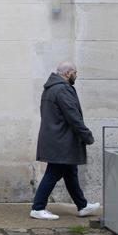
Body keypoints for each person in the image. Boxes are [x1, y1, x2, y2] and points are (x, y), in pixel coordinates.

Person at [29, 61, 100, 220]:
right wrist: (86, 135)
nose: (76, 75)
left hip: (57, 138)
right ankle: (38, 207)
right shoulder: (62, 89)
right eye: (75, 72)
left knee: (70, 173)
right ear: (68, 73)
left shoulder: (51, 89)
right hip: (61, 141)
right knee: (53, 173)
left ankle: (82, 205)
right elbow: (73, 116)